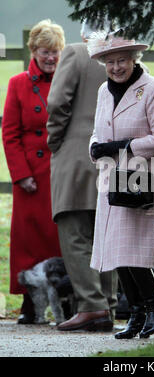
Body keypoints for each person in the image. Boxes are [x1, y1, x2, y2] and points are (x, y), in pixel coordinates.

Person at [87, 30, 154, 339]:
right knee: (116, 251)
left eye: (122, 60)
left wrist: (122, 146)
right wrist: (96, 145)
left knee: (131, 251)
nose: (116, 67)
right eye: (110, 61)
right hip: (112, 177)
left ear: (134, 58)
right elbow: (99, 130)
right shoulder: (103, 91)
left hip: (141, 177)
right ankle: (137, 313)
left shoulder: (153, 89)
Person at [46, 20, 118, 332]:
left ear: (83, 32)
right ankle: (108, 304)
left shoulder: (76, 53)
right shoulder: (122, 60)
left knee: (75, 234)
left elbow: (56, 102)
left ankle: (91, 306)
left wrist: (55, 141)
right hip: (111, 158)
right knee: (104, 234)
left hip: (75, 156)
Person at [1, 19, 65, 324]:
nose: (50, 58)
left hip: (62, 171)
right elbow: (10, 133)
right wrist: (20, 173)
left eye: (55, 51)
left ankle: (67, 299)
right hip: (30, 175)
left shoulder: (68, 80)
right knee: (29, 240)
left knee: (61, 236)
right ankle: (30, 301)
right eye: (45, 52)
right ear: (33, 51)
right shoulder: (17, 84)